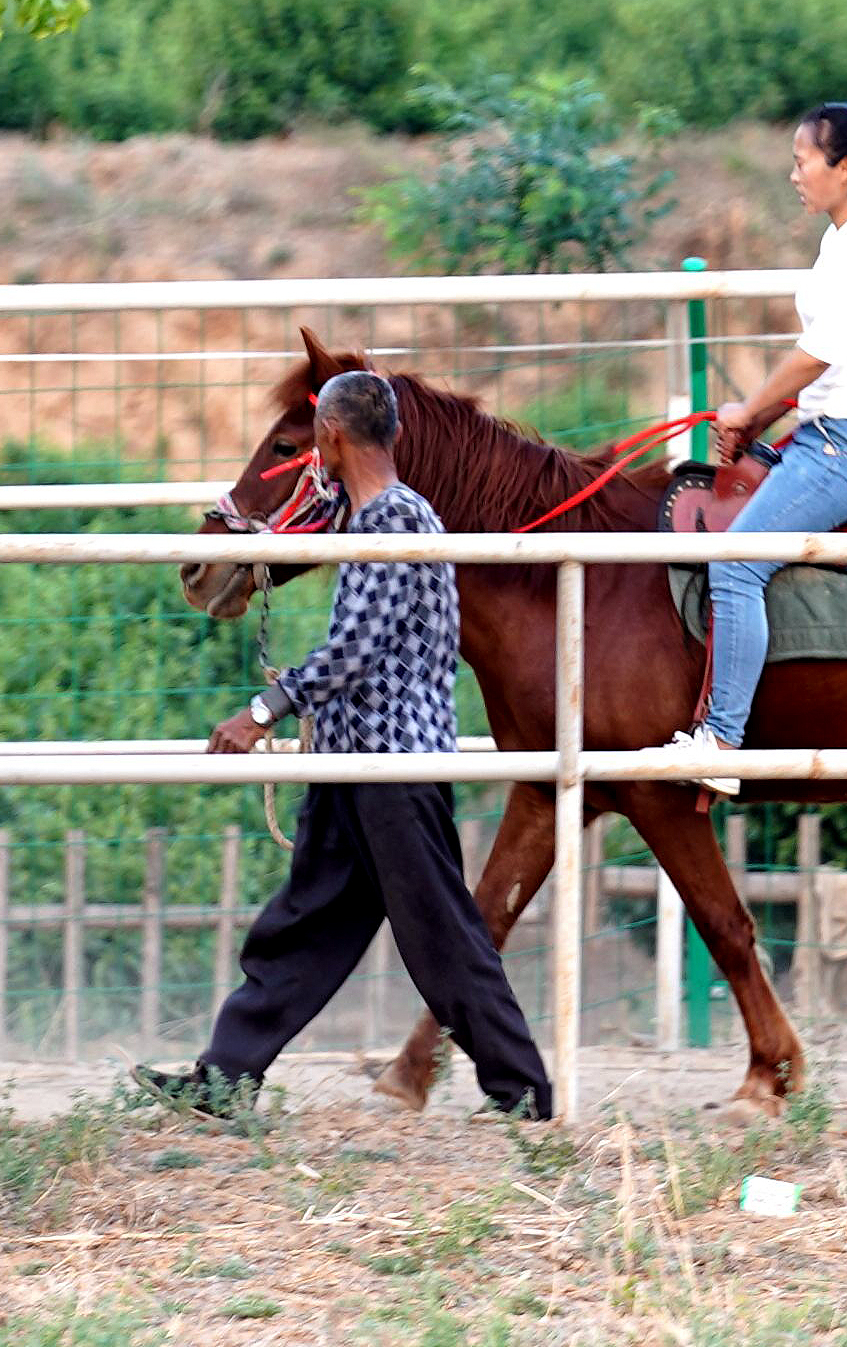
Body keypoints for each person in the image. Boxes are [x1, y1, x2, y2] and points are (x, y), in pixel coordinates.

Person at [134, 369, 554, 1121]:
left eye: (315, 438)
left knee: (442, 939)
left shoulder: (395, 521)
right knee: (304, 924)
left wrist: (264, 708)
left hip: (391, 767)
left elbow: (357, 646)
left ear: (330, 436)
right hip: (355, 761)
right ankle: (225, 1076)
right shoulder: (372, 515)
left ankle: (523, 1091)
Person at [663, 95, 847, 798]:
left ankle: (722, 740)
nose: (795, 175)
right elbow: (820, 362)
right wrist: (759, 416)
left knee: (738, 563)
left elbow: (818, 353)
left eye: (802, 160)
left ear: (843, 166)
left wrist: (751, 408)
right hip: (833, 432)